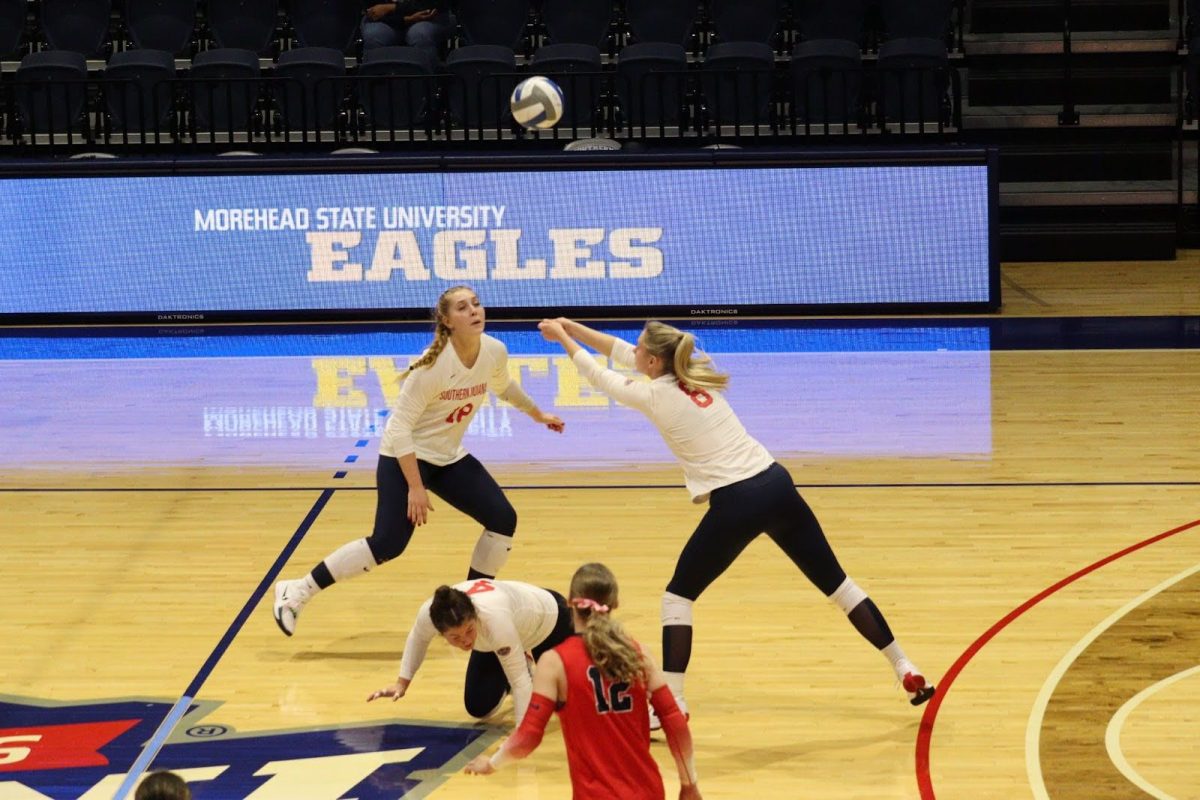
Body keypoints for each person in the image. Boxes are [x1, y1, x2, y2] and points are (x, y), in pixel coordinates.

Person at [537, 318, 934, 726]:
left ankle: (673, 704)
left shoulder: (656, 395)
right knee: (839, 586)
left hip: (738, 499)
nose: (632, 352)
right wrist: (572, 326)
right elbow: (620, 352)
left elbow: (598, 375)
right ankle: (904, 666)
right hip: (776, 482)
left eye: (640, 349)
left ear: (654, 361)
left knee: (678, 599)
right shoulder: (694, 373)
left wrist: (564, 339)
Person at [272, 286, 564, 636]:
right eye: (462, 307)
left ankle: (472, 605)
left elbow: (503, 386)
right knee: (388, 543)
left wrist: (538, 414)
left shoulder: (494, 351)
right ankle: (296, 591)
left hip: (447, 455)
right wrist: (415, 486)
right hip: (404, 455)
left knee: (502, 519)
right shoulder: (432, 367)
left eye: (476, 303)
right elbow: (399, 430)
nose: (474, 311)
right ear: (446, 320)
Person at [463, 562, 701, 800]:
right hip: (647, 792)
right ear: (614, 605)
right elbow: (675, 724)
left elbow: (528, 737)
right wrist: (689, 784)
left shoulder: (555, 663)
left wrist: (492, 763)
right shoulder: (639, 654)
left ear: (569, 603)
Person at [367, 578, 574, 723]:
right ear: (441, 631)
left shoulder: (494, 620)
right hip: (500, 637)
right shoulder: (431, 613)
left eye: (469, 631)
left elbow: (520, 682)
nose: (466, 642)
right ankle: (521, 657)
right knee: (479, 708)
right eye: (455, 638)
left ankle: (525, 654)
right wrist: (402, 683)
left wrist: (522, 736)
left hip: (549, 621)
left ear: (475, 615)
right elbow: (418, 638)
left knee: (566, 704)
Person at [362, 0, 456, 59]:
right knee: (374, 36)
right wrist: (405, 20)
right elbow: (373, 9)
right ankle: (377, 88)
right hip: (387, 19)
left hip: (430, 15)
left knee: (420, 35)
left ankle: (425, 87)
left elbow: (433, 4)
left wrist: (392, 7)